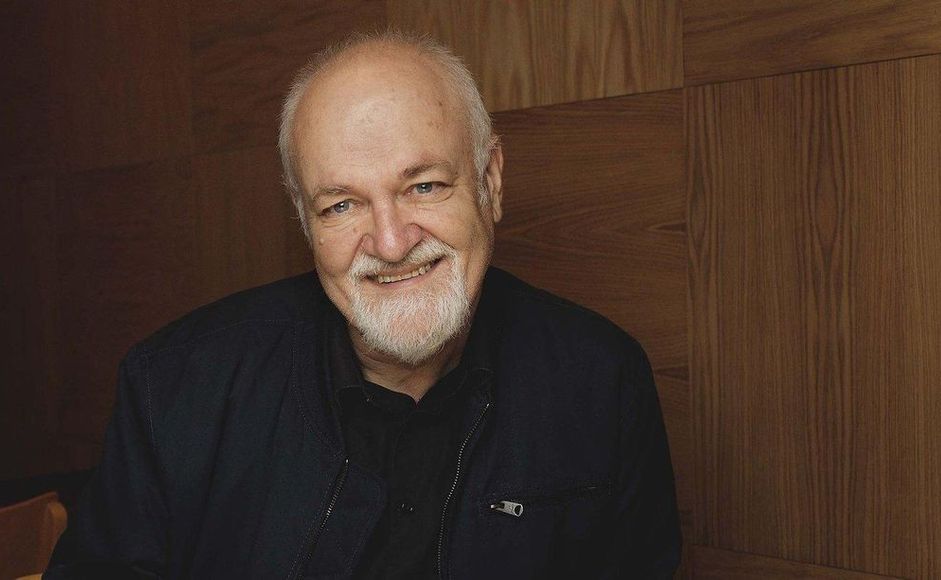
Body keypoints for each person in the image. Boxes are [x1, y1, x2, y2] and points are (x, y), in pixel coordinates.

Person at [47, 31, 681, 579]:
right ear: (305, 220)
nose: (391, 243)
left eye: (424, 186)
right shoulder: (173, 389)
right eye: (342, 205)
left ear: (490, 181)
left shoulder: (602, 382)